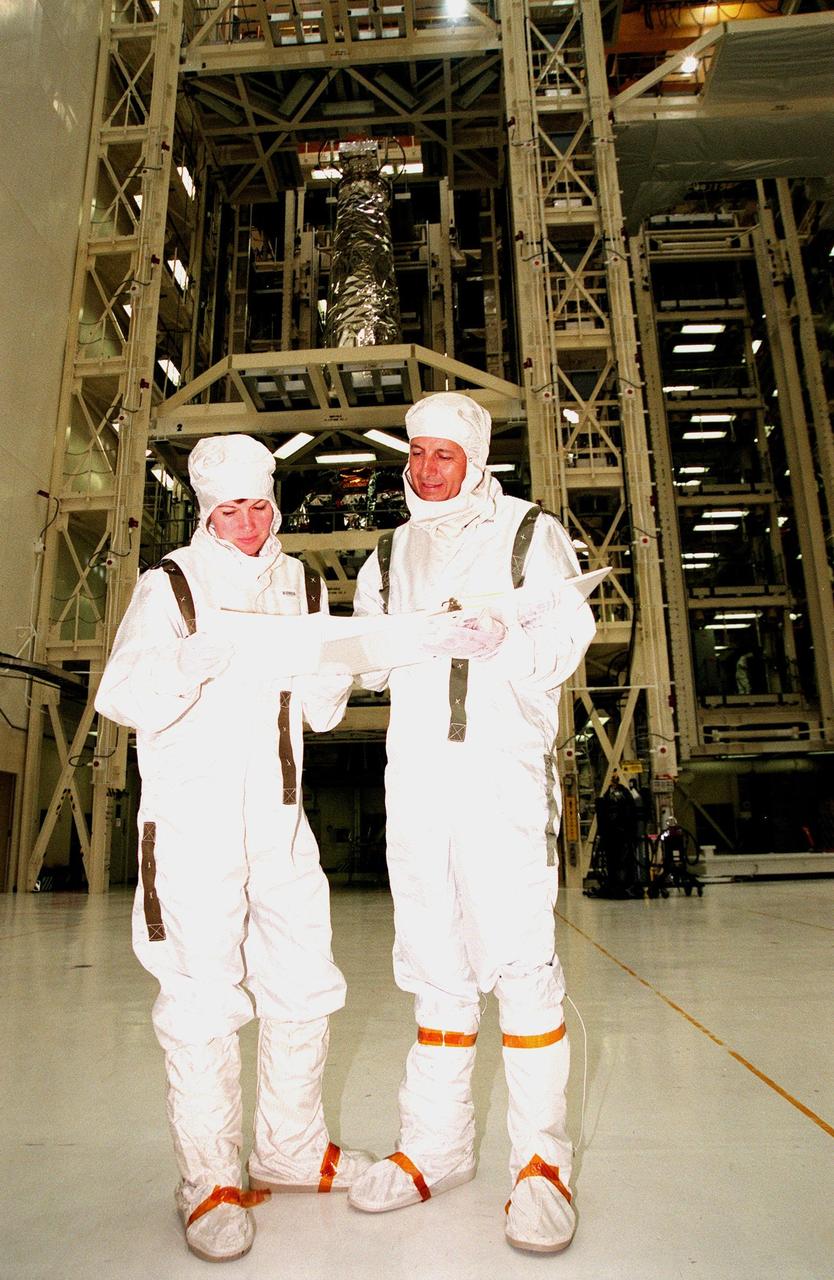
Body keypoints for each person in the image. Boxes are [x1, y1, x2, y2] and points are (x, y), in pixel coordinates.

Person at [95, 435, 370, 1263]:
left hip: (281, 826)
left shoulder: (303, 582)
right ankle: (209, 1180)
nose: (248, 525)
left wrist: (336, 673)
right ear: (205, 512)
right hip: (192, 828)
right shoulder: (168, 583)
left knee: (303, 984)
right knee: (202, 999)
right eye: (230, 510)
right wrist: (185, 662)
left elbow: (320, 713)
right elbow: (120, 696)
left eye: (259, 507)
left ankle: (289, 1149)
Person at [348, 392, 597, 1253]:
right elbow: (370, 661)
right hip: (417, 787)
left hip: (500, 782)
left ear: (475, 458)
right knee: (434, 970)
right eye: (415, 452)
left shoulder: (531, 534)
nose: (423, 468)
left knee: (522, 968)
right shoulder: (390, 551)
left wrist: (507, 643)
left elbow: (570, 638)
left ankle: (540, 1164)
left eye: (441, 454)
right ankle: (437, 1146)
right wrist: (396, 642)